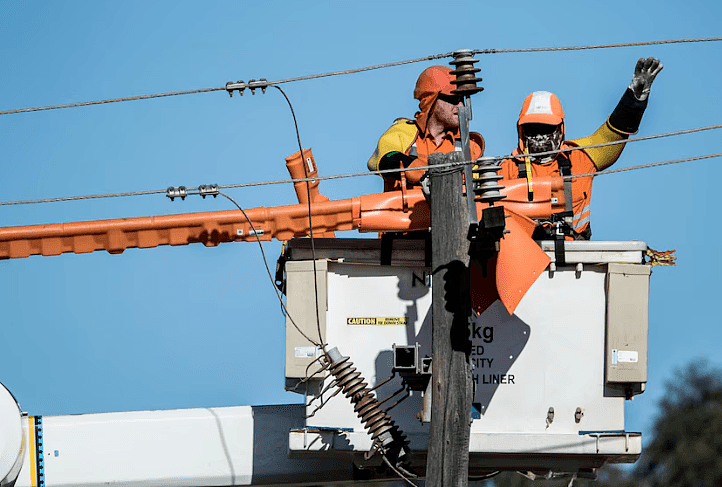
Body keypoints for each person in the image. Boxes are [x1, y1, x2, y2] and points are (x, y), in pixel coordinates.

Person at [499, 57, 663, 240]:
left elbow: (612, 135)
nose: (539, 136)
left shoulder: (579, 158)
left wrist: (634, 98)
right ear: (521, 130)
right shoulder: (504, 169)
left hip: (571, 258)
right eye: (533, 128)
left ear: (560, 130)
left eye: (546, 129)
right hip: (520, 261)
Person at [367, 65, 485, 192]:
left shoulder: (469, 145)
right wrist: (415, 169)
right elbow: (382, 160)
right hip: (409, 211)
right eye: (454, 99)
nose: (461, 106)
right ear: (431, 100)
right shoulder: (404, 133)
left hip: (457, 211)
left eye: (462, 99)